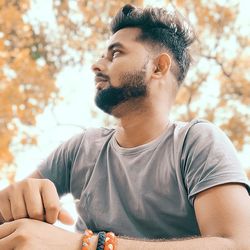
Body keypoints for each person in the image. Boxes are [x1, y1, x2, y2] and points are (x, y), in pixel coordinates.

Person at [0, 4, 250, 250]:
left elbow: (238, 243)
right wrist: (12, 201)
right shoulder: (81, 148)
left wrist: (87, 245)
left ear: (158, 67)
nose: (96, 65)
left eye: (115, 53)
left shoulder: (196, 142)